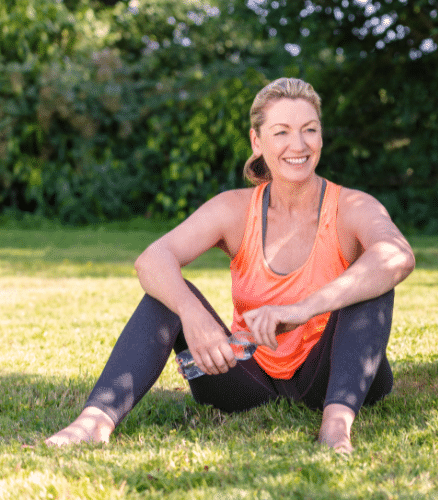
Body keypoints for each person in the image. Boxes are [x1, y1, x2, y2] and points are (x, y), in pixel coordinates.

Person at [46, 77, 415, 453]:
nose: (298, 145)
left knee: (372, 285)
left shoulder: (352, 206)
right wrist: (193, 315)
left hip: (336, 375)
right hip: (245, 379)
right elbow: (152, 259)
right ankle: (94, 421)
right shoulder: (235, 209)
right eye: (281, 132)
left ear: (321, 136)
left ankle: (336, 427)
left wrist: (303, 309)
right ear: (257, 141)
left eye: (309, 130)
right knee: (168, 296)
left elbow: (397, 255)